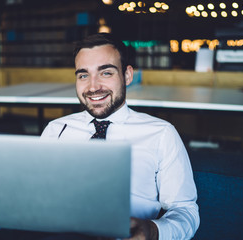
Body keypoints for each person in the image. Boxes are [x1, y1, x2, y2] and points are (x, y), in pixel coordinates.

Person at [41, 33, 200, 240]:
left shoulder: (161, 133)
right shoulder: (56, 129)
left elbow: (185, 210)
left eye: (105, 73)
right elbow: (38, 195)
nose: (93, 87)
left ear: (127, 75)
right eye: (83, 75)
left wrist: (152, 231)